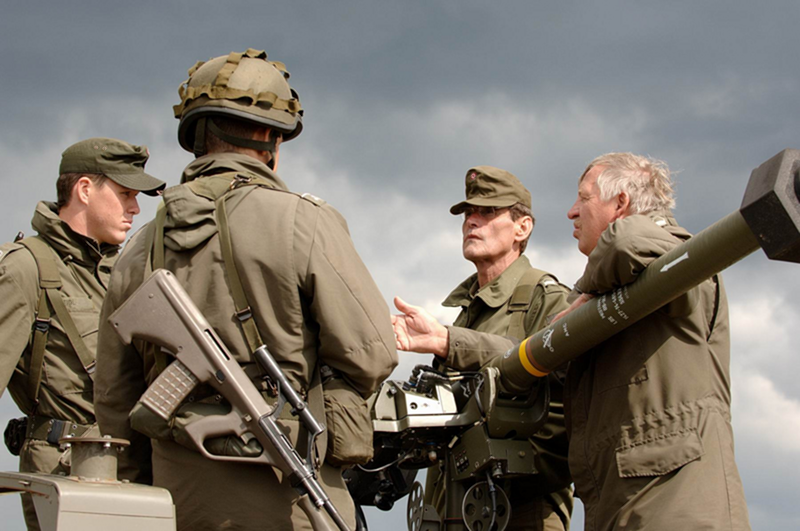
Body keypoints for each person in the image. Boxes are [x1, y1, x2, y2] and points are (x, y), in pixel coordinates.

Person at [93, 49, 398, 531]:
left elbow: (114, 396)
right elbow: (372, 352)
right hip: (288, 498)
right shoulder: (303, 221)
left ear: (197, 135)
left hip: (176, 501)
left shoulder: (139, 248)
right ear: (269, 137)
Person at [555, 153, 751, 530]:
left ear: (621, 203)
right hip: (622, 506)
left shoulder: (677, 255)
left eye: (584, 198)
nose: (571, 211)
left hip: (679, 509)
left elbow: (627, 239)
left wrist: (589, 288)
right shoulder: (618, 287)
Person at [393, 166, 573, 531]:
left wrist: (447, 341)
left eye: (488, 212)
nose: (472, 221)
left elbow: (565, 407)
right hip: (452, 508)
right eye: (468, 213)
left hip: (520, 510)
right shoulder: (467, 313)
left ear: (523, 227)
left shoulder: (548, 300)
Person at [0, 137, 165, 530]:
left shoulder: (126, 272)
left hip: (135, 469)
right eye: (125, 194)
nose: (135, 208)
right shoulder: (25, 268)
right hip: (66, 473)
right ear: (85, 190)